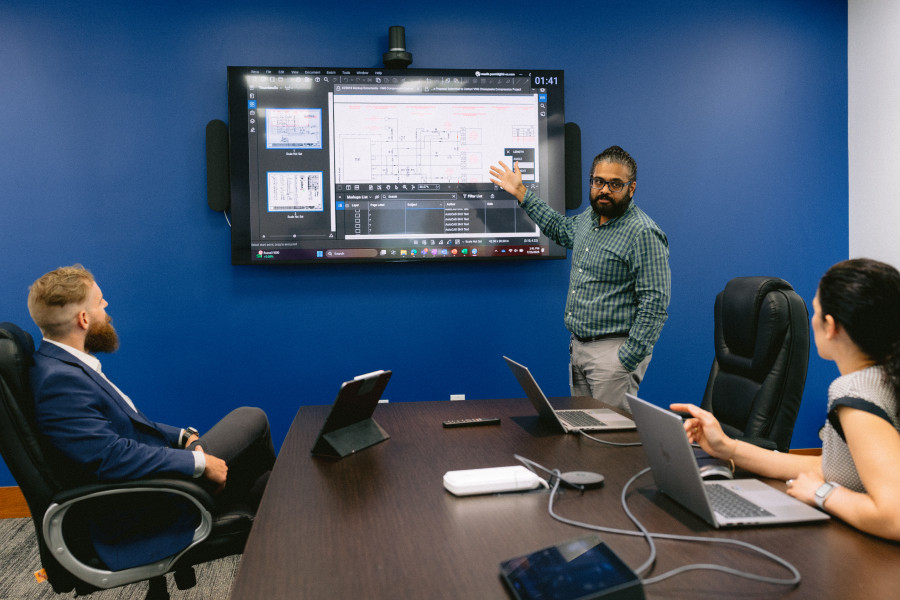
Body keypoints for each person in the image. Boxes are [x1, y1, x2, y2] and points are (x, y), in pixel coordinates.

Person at [28, 264, 277, 569]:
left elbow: (124, 424)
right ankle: (272, 520)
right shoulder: (60, 383)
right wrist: (197, 462)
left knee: (265, 482)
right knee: (252, 418)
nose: (106, 307)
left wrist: (180, 436)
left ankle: (273, 513)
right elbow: (110, 457)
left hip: (152, 480)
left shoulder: (61, 365)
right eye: (100, 302)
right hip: (144, 504)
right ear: (83, 319)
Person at [673, 258, 900, 541]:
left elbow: (895, 517)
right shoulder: (883, 379)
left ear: (830, 326)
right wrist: (727, 447)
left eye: (814, 312)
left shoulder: (856, 392)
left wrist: (821, 493)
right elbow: (830, 467)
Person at [489, 146, 670, 410]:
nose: (604, 190)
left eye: (615, 184)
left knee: (610, 442)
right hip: (579, 349)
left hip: (613, 356)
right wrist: (521, 193)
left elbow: (654, 305)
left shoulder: (644, 233)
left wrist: (626, 360)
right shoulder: (590, 217)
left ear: (631, 189)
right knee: (585, 435)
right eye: (598, 181)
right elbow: (560, 229)